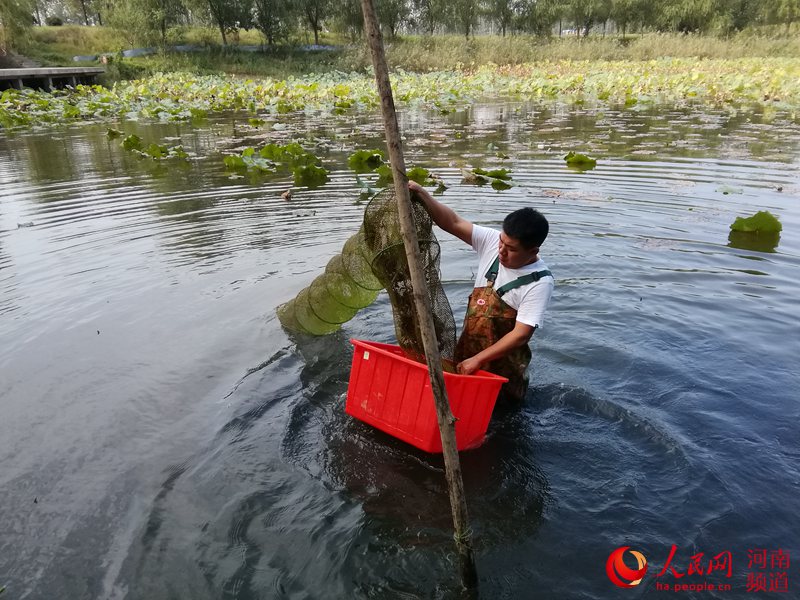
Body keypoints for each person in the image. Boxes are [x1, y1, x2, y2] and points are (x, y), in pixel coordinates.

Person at [409, 180, 554, 404]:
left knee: (500, 423)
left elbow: (521, 334)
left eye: (512, 249)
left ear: (533, 251)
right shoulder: (491, 242)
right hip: (468, 356)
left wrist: (478, 360)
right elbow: (453, 222)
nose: (502, 252)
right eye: (502, 243)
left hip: (503, 373)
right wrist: (423, 194)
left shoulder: (539, 282)